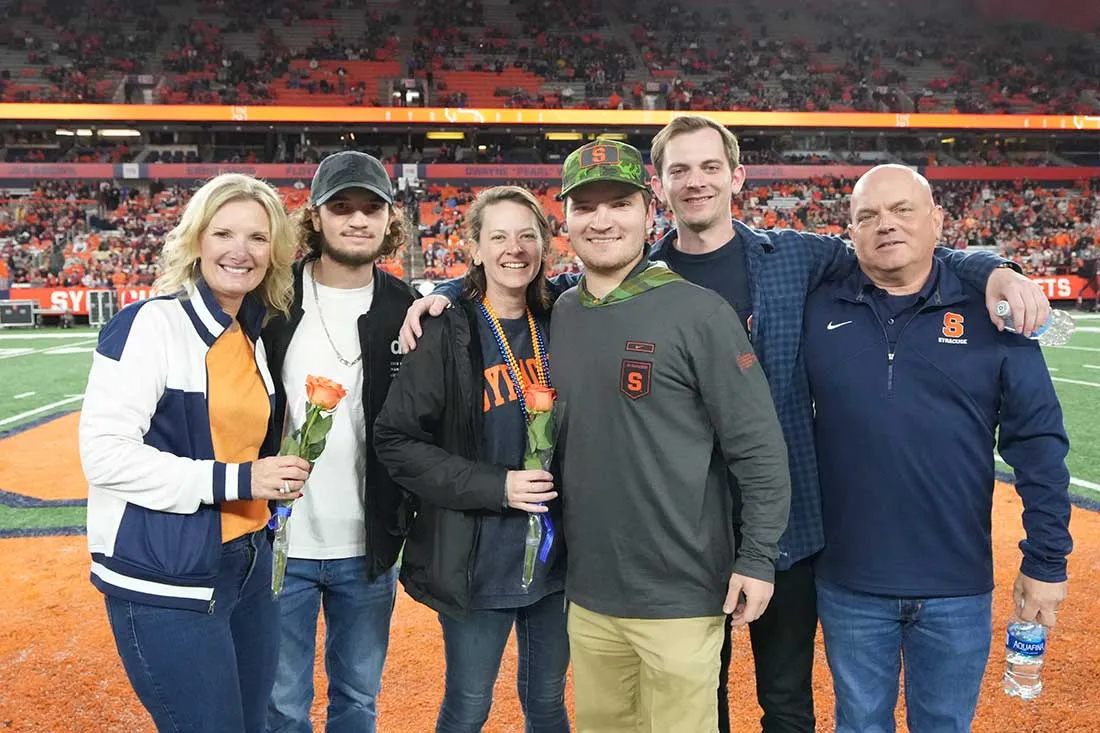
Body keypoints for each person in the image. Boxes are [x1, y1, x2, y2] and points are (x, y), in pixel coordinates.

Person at [400, 115, 1051, 733]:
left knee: (785, 699)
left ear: (737, 177)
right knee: (698, 698)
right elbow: (519, 276)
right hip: (677, 534)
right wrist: (442, 295)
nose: (697, 180)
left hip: (784, 529)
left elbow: (895, 246)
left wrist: (989, 266)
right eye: (680, 169)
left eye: (711, 165)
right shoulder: (615, 279)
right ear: (660, 188)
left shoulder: (793, 255)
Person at [803, 164, 1073, 732]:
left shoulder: (995, 315)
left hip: (957, 582)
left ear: (937, 221)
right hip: (850, 579)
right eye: (868, 216)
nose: (886, 226)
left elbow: (1039, 445)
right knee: (857, 724)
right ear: (849, 233)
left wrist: (1046, 560)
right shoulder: (817, 307)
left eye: (903, 210)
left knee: (946, 726)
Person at [554, 139, 791, 732]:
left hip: (681, 597)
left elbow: (758, 448)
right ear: (567, 219)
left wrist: (758, 557)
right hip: (588, 596)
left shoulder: (702, 313)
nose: (602, 220)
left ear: (648, 209)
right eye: (585, 207)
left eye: (619, 203)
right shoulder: (560, 312)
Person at [79, 173, 310, 733]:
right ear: (196, 241)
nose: (240, 251)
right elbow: (104, 455)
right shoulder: (150, 325)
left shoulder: (251, 334)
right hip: (167, 577)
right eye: (223, 233)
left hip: (249, 567)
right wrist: (240, 479)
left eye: (257, 238)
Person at [374, 186, 570, 732]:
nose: (515, 248)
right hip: (476, 560)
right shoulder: (445, 325)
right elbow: (396, 441)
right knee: (468, 706)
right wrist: (497, 486)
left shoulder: (563, 317)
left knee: (550, 703)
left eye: (528, 235)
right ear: (475, 248)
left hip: (558, 561)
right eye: (499, 236)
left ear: (545, 246)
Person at [262, 151, 418, 733]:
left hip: (368, 545)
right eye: (342, 207)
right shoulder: (274, 299)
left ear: (388, 219)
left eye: (371, 208)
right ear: (317, 218)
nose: (357, 220)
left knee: (357, 700)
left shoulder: (406, 305)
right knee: (281, 703)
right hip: (281, 541)